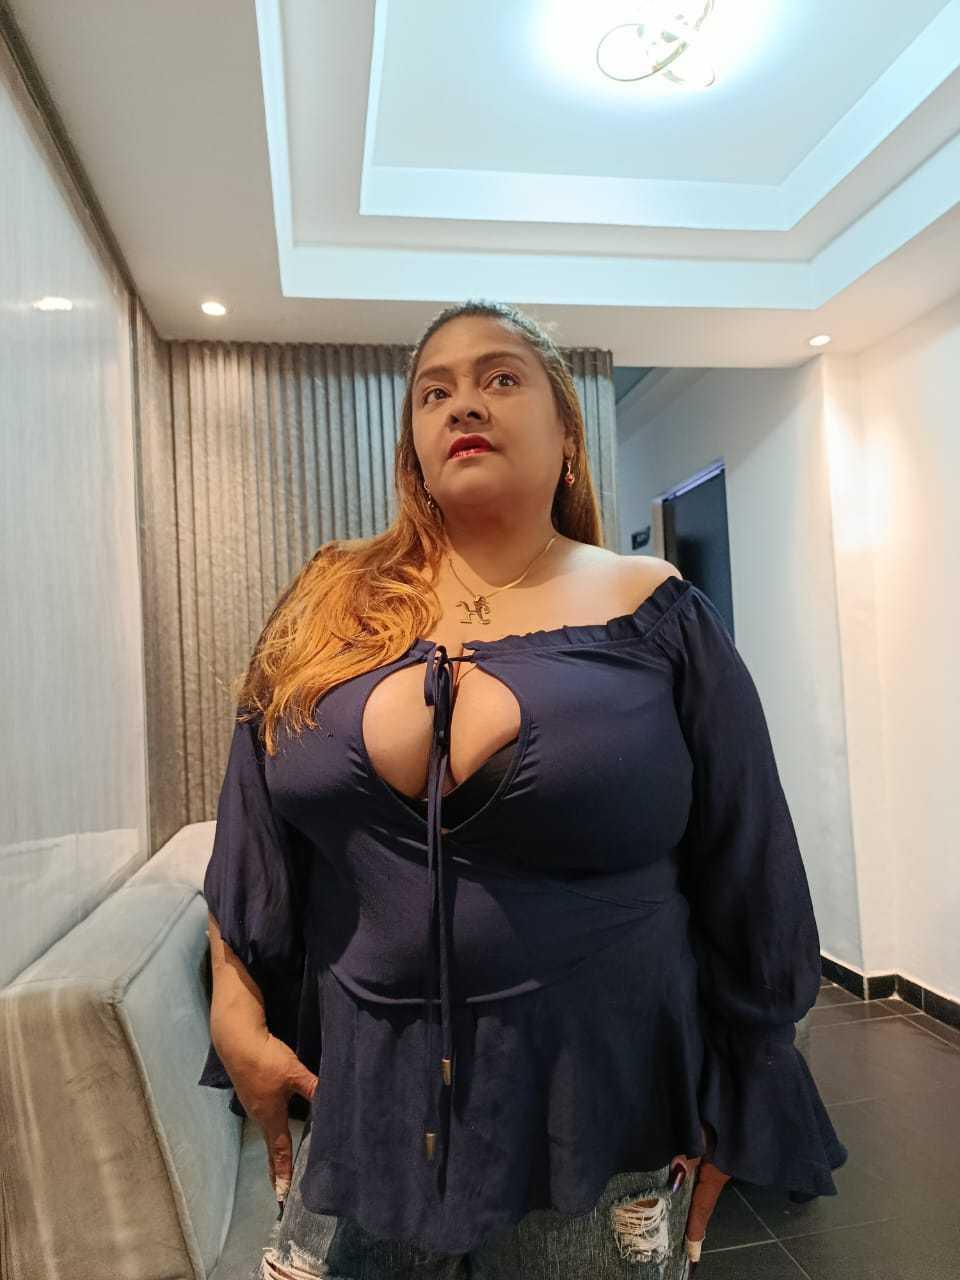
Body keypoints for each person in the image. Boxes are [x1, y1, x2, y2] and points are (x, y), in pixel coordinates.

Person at [197, 300, 848, 1279]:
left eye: (501, 377)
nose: (464, 403)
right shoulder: (327, 604)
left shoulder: (655, 610)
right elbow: (250, 826)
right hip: (363, 1118)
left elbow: (748, 858)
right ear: (414, 448)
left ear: (568, 437)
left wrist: (753, 1076)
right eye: (434, 391)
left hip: (603, 1116)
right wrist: (232, 1001)